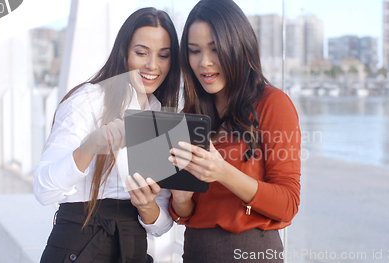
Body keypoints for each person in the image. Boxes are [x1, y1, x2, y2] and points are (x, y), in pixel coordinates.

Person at [33, 7, 180, 263]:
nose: (152, 65)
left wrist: (147, 207)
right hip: (79, 247)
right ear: (124, 52)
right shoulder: (89, 100)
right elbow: (44, 190)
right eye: (141, 52)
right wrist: (92, 144)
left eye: (163, 55)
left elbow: (161, 227)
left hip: (131, 250)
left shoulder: (161, 115)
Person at [167, 0, 301, 262]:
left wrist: (223, 172)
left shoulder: (272, 103)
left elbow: (288, 205)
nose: (204, 62)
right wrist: (181, 200)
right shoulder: (190, 116)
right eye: (194, 51)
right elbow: (185, 214)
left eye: (215, 49)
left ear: (238, 45)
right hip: (195, 252)